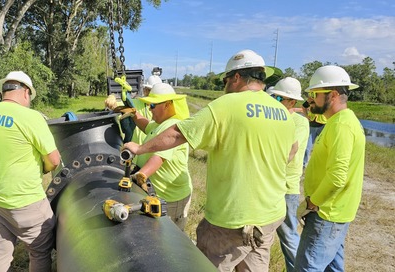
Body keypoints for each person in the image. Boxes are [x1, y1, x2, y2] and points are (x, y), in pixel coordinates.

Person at [124, 49, 297, 271]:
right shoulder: (282, 112)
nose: (224, 86)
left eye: (225, 80)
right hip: (270, 214)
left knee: (205, 265)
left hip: (233, 219)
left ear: (236, 77)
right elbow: (292, 149)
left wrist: (140, 148)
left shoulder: (227, 105)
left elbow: (178, 133)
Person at [0, 71, 60, 272]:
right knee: (39, 251)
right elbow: (54, 160)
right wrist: (43, 167)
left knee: (0, 251)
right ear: (26, 92)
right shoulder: (31, 117)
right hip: (26, 200)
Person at [295, 65, 365, 272]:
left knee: (307, 267)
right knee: (332, 268)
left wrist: (312, 202)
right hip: (334, 212)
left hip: (326, 213)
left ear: (332, 95)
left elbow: (337, 176)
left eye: (315, 94)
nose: (311, 99)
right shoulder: (339, 121)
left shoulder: (341, 126)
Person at [131, 82, 192, 230]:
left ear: (166, 105)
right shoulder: (160, 124)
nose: (149, 110)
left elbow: (159, 157)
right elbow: (145, 125)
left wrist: (140, 175)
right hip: (159, 193)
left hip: (171, 198)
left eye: (153, 106)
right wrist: (132, 113)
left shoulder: (172, 126)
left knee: (170, 239)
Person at [269, 77, 310, 271]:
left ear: (292, 102)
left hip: (286, 187)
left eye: (279, 99)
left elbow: (291, 152)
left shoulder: (299, 122)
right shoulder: (275, 118)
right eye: (273, 97)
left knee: (288, 236)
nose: (274, 102)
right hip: (270, 185)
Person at [105, 74, 161, 144]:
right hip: (134, 149)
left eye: (154, 92)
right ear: (144, 90)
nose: (150, 94)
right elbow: (117, 105)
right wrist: (112, 98)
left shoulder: (161, 109)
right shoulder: (136, 103)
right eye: (149, 90)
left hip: (152, 149)